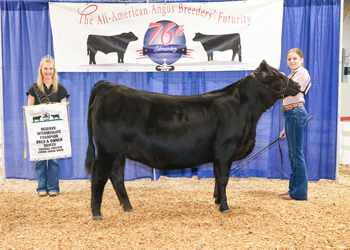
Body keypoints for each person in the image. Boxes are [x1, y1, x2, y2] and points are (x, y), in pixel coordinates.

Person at [26, 55, 69, 197]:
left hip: (54, 132)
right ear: (41, 70)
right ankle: (41, 187)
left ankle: (53, 187)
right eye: (45, 68)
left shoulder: (61, 89)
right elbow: (30, 109)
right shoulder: (34, 88)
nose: (48, 71)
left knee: (54, 160)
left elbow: (63, 111)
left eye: (51, 68)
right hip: (39, 131)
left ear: (54, 70)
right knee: (40, 160)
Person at [279, 48, 310, 201]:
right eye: (289, 59)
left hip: (295, 112)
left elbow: (288, 91)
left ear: (301, 60)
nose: (292, 61)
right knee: (293, 154)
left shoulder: (303, 73)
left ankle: (299, 193)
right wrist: (285, 128)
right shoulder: (291, 75)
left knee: (297, 154)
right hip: (291, 114)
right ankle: (293, 190)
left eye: (295, 58)